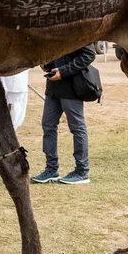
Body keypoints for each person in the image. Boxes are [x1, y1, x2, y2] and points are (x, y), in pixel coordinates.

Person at [31, 44, 96, 185]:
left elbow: (89, 55)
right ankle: (51, 169)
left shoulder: (80, 30)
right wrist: (48, 64)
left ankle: (82, 171)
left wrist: (63, 71)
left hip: (71, 89)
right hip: (53, 88)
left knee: (77, 128)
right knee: (47, 125)